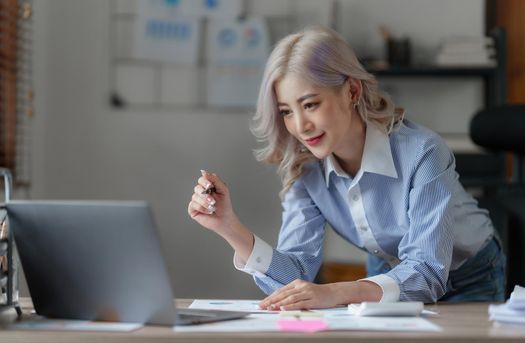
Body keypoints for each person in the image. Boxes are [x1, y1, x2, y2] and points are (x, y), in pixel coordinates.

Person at [188, 27, 506, 310]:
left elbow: (426, 272)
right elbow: (295, 278)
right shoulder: (306, 170)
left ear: (352, 91)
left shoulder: (422, 152)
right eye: (286, 111)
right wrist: (229, 227)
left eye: (310, 104)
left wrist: (337, 293)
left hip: (469, 274)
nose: (300, 126)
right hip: (388, 272)